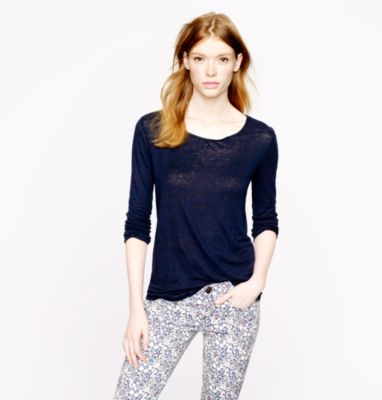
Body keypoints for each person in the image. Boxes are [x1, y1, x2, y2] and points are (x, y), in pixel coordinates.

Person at [113, 11, 279, 400]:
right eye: (201, 58)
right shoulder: (152, 131)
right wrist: (136, 309)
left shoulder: (260, 139)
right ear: (185, 60)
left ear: (237, 62)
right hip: (168, 296)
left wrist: (256, 283)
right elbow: (137, 224)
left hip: (233, 297)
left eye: (222, 59)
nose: (211, 71)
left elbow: (266, 220)